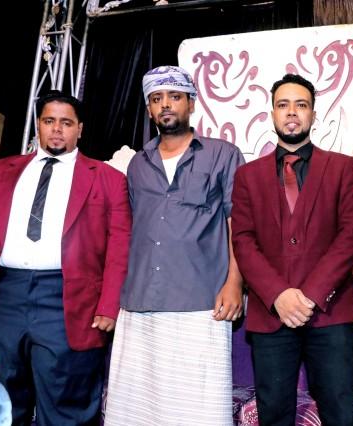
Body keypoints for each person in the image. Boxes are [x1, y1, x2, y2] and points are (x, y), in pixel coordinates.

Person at [0, 90, 131, 425]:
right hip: (2, 298)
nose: (57, 129)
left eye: (66, 123)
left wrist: (109, 305)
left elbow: (120, 246)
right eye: (49, 121)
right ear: (38, 125)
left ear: (80, 129)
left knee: (66, 406)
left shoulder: (108, 179)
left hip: (68, 300)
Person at [103, 65, 245, 425]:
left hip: (201, 302)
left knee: (198, 410)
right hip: (141, 302)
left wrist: (235, 282)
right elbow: (131, 231)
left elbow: (238, 223)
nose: (165, 104)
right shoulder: (137, 164)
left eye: (175, 96)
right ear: (149, 110)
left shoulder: (223, 154)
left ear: (191, 104)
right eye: (156, 99)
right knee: (138, 410)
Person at [231, 73, 353, 425]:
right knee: (274, 414)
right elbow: (243, 240)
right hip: (270, 315)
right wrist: (278, 295)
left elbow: (352, 234)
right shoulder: (247, 176)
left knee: (340, 412)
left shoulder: (343, 168)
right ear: (272, 114)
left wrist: (310, 295)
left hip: (330, 311)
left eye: (301, 104)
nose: (292, 112)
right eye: (283, 104)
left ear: (313, 114)